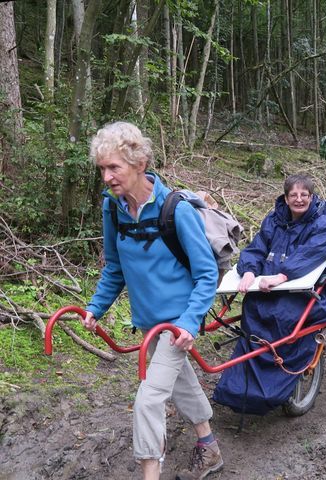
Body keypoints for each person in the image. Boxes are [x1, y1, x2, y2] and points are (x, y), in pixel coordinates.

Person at [82, 122, 222, 480]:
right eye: (102, 169)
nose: (107, 176)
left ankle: (149, 475)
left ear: (139, 163)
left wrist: (190, 323)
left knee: (148, 399)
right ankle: (209, 448)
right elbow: (114, 268)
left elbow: (206, 274)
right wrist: (96, 307)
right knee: (179, 382)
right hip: (148, 323)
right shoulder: (113, 210)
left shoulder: (176, 209)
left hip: (176, 323)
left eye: (114, 167)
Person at [213, 174, 326, 414]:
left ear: (311, 197)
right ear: (286, 197)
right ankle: (240, 388)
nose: (299, 199)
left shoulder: (323, 223)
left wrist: (283, 276)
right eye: (294, 195)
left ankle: (274, 389)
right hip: (269, 289)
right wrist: (248, 271)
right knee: (252, 309)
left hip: (306, 290)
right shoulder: (275, 220)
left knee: (284, 317)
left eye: (304, 195)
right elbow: (257, 248)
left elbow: (312, 253)